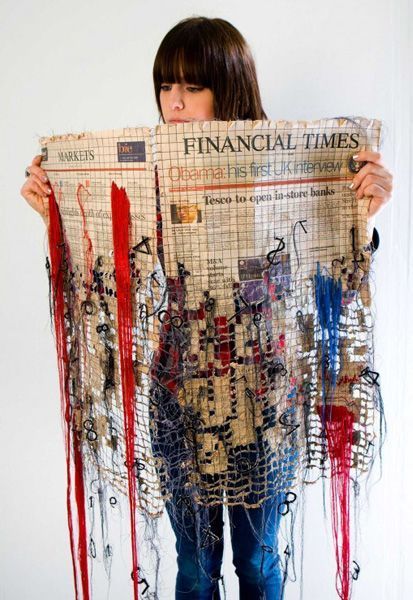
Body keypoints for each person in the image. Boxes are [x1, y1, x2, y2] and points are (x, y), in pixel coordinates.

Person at [20, 16, 393, 600]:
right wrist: (59, 217)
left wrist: (361, 220)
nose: (175, 102)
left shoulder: (286, 168)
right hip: (175, 394)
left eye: (192, 87)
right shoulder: (150, 172)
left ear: (230, 86)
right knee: (194, 566)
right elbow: (117, 284)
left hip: (268, 396)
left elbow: (328, 284)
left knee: (259, 561)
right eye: (167, 86)